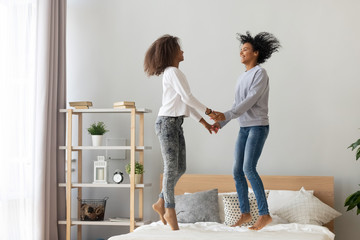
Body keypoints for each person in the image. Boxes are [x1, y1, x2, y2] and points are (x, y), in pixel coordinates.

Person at [144, 34, 216, 230]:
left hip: (175, 124)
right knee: (170, 168)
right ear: (172, 52)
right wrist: (209, 111)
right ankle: (170, 210)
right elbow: (188, 97)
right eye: (179, 48)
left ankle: (160, 202)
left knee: (181, 167)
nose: (183, 51)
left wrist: (204, 122)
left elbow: (184, 102)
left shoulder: (175, 73)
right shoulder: (172, 72)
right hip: (166, 124)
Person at [212, 31, 280, 230]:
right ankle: (245, 213)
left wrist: (224, 115)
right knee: (237, 171)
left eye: (246, 49)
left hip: (258, 126)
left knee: (249, 168)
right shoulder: (241, 77)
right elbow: (237, 104)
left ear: (256, 53)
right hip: (244, 128)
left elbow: (249, 101)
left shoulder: (260, 73)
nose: (241, 53)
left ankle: (264, 214)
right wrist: (220, 123)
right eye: (240, 50)